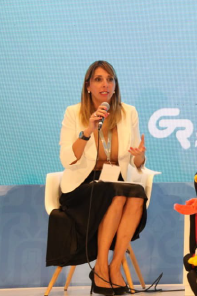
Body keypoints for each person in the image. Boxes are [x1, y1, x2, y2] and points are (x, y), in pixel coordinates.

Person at [46, 61, 148, 296]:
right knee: (114, 193)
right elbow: (67, 160)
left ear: (115, 85)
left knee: (136, 194)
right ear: (88, 85)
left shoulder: (128, 112)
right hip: (81, 187)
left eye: (110, 79)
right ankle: (101, 267)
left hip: (115, 182)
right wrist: (88, 131)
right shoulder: (73, 112)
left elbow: (136, 162)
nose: (105, 85)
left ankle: (114, 266)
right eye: (99, 79)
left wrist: (140, 156)